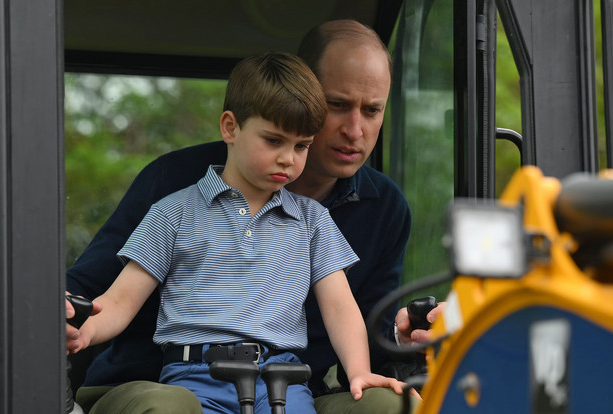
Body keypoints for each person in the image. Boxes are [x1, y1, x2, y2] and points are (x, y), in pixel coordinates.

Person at [67, 19, 421, 413]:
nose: (355, 130)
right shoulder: (173, 200)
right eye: (337, 105)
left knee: (393, 405)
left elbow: (347, 311)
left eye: (372, 110)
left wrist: (379, 355)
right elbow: (110, 298)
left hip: (286, 384)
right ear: (231, 128)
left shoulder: (321, 219)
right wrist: (80, 326)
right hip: (182, 381)